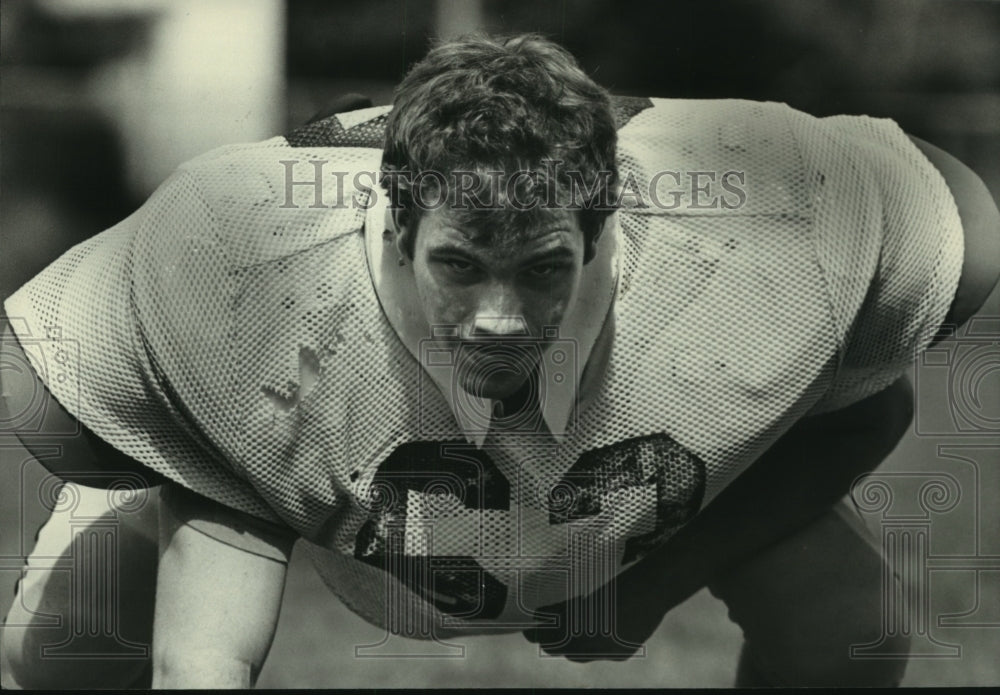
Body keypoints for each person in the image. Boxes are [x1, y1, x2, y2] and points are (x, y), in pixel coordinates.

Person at [1, 33, 998, 689]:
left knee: (848, 628)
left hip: (635, 466)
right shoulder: (252, 278)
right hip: (320, 425)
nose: (495, 318)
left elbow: (872, 409)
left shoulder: (769, 239)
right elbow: (201, 656)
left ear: (607, 225)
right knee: (60, 652)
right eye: (459, 264)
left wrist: (657, 577)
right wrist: (195, 448)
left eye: (540, 267)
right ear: (393, 232)